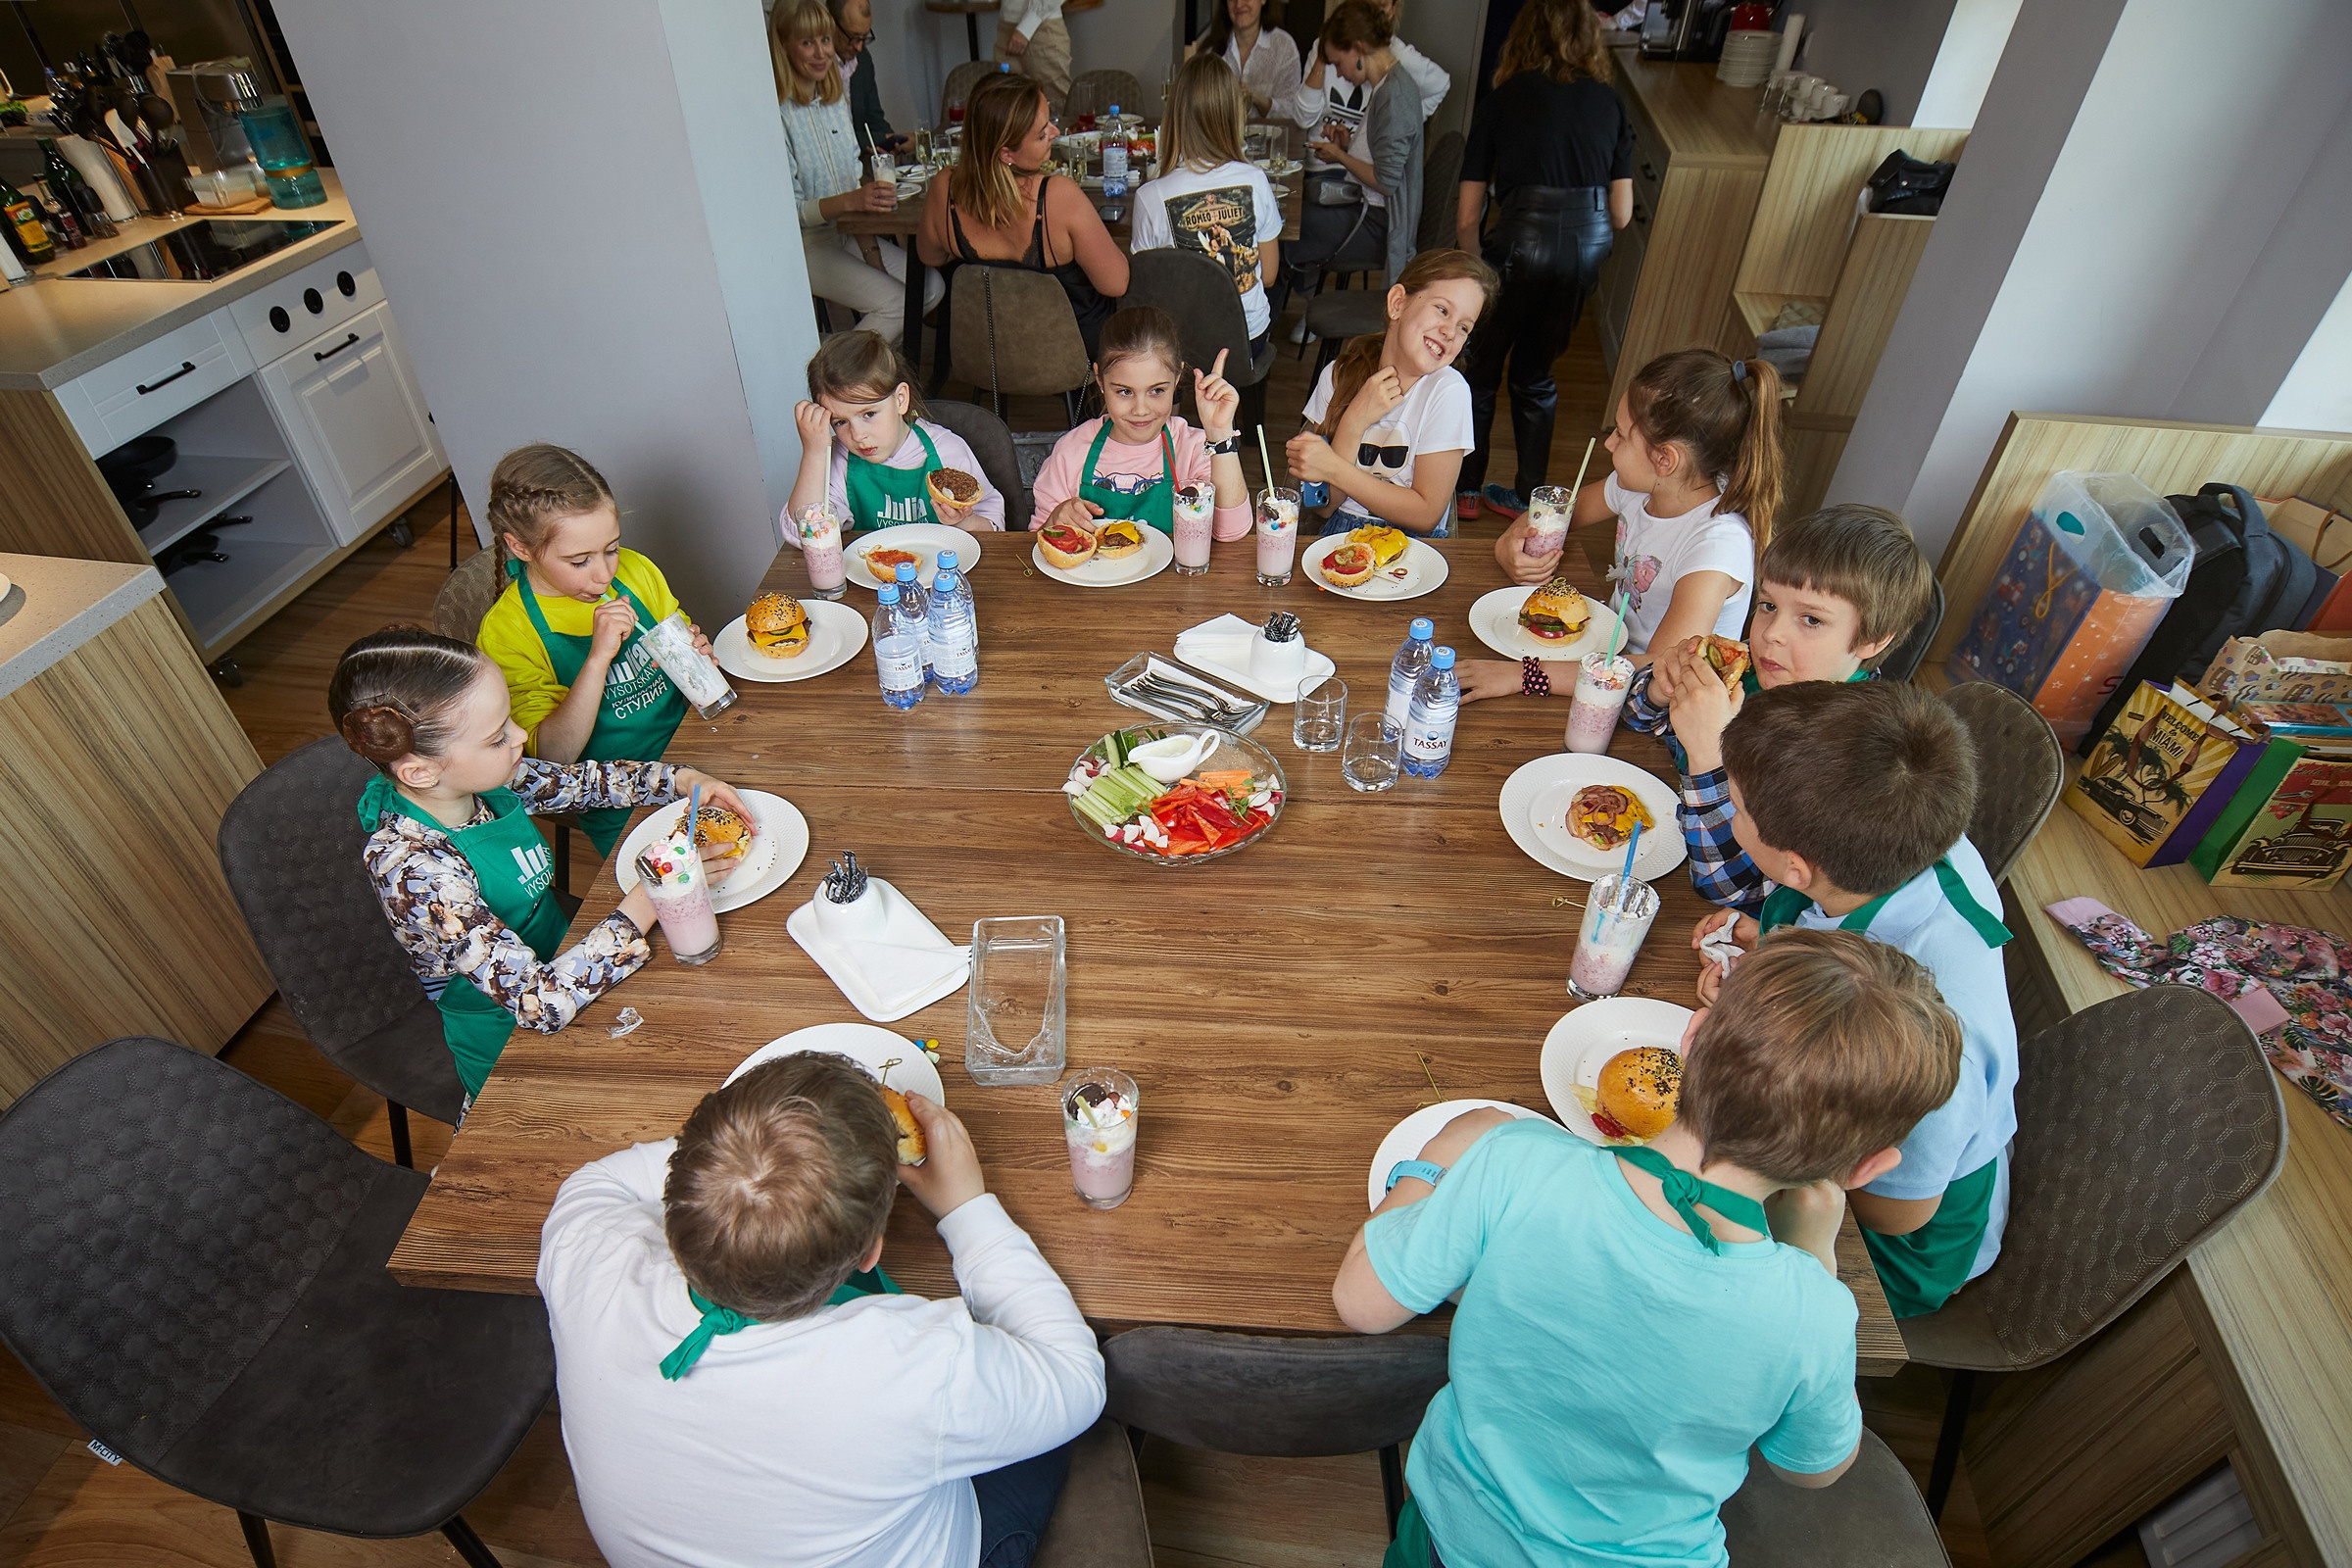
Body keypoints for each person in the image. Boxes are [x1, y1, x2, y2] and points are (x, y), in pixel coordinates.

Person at [1333, 928, 1963, 1568]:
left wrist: (1440, 1155)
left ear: (1690, 1039)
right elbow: (1813, 1468)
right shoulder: (1814, 1315)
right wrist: (1814, 1261)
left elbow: (1362, 1304)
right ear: (1866, 1168)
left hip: (1454, 1540)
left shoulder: (1515, 1161)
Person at [540, 1050, 1105, 1568]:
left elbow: (600, 1179)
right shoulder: (912, 1367)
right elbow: (1077, 1380)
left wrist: (749, 1153)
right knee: (1053, 1414)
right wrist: (966, 1206)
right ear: (870, 1253)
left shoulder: (585, 1248)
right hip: (954, 1542)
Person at [1698, 680, 2019, 1320]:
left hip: (1889, 1239)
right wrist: (1775, 951)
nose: (1730, 817)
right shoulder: (1903, 831)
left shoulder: (1925, 1027)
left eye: (1734, 807)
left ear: (1795, 867)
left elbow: (1900, 1212)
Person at [332, 627, 752, 1102]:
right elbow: (541, 1003)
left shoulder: (483, 779)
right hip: (510, 1041)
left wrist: (681, 779)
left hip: (576, 953)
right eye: (497, 737)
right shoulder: (411, 871)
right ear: (420, 772)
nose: (519, 737)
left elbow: (583, 784)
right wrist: (654, 893)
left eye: (510, 719)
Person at [1460, 505, 1936, 910]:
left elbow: (1735, 888)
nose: (1772, 634)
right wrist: (1658, 692)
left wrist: (1709, 756)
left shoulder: (1852, 758)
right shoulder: (1750, 676)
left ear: (1874, 640)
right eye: (1768, 606)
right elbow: (1640, 720)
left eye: (1810, 620)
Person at [472, 444, 709, 859]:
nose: (604, 574)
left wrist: (697, 656)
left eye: (611, 549)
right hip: (618, 798)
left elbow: (689, 664)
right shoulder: (508, 632)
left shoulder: (637, 571)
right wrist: (598, 659)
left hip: (700, 744)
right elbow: (555, 757)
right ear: (521, 548)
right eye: (579, 560)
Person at [1452, 0, 1632, 520]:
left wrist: (1476, 275)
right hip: (1586, 247)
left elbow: (1468, 215)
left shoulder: (1503, 98)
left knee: (1481, 371)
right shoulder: (1609, 102)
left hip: (1519, 241)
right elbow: (1622, 214)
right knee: (1535, 376)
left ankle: (1466, 491)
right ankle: (1531, 495)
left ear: (1523, 35)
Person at [1494, 348, 1785, 658]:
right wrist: (1507, 545)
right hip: (1610, 655)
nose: (1608, 443)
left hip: (1649, 681)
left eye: (1620, 435)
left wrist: (1519, 675)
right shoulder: (1640, 486)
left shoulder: (1716, 547)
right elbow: (1552, 516)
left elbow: (1658, 668)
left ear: (1665, 459)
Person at [1284, 248, 1495, 537]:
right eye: (1442, 310)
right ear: (1398, 303)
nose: (1450, 331)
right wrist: (1354, 420)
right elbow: (1323, 506)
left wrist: (1334, 468)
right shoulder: (1337, 375)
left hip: (1415, 547)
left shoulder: (1448, 391)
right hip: (1339, 536)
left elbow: (1426, 515)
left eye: (1463, 327)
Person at [916, 74, 1126, 360]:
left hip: (988, 357)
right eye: (1041, 134)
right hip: (1069, 358)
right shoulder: (1058, 196)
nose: (1055, 132)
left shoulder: (946, 187)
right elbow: (1116, 283)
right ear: (1006, 154)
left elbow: (930, 255)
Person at [772, 0, 940, 347]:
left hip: (848, 233)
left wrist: (872, 254)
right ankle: (830, 369)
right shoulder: (778, 114)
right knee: (895, 304)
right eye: (807, 42)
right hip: (807, 247)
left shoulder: (835, 102)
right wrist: (851, 201)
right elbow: (792, 213)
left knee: (930, 287)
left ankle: (857, 366)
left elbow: (853, 188)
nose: (821, 52)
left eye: (825, 40)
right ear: (785, 46)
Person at [1281, 0, 1447, 331]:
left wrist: (1340, 156)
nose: (1339, 73)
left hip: (1376, 226)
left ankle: (1259, 336)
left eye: (1338, 63)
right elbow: (1381, 155)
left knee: (1282, 229)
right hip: (1366, 211)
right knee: (1286, 215)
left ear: (1358, 49)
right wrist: (1348, 144)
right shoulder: (1386, 84)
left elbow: (1386, 181)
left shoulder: (1395, 95)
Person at [1029, 305, 1251, 539]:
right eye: (1124, 391)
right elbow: (1037, 538)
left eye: (1157, 390)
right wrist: (1056, 520)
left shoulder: (1195, 448)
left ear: (1176, 378)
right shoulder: (1071, 451)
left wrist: (1220, 434)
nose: (1141, 409)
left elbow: (1229, 532)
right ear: (1100, 380)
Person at [1132, 54, 1285, 356]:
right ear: (1233, 115)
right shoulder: (1255, 180)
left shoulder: (1149, 197)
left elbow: (1146, 292)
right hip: (1247, 341)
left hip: (1180, 345)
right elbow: (1268, 276)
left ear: (1174, 114)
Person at [788, 329, 1006, 535]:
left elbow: (994, 529)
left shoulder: (949, 451)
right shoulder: (840, 460)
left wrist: (962, 521)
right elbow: (806, 534)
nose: (858, 435)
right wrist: (814, 454)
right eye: (840, 422)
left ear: (900, 399)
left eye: (869, 414)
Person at [1186, 0, 1302, 118]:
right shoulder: (1209, 51)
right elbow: (1196, 108)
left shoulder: (1284, 47)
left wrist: (1259, 100)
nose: (1239, 4)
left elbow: (1293, 113)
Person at [828, 0, 906, 154]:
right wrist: (882, 138)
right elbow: (832, 137)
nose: (859, 47)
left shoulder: (862, 59)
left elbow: (874, 118)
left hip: (863, 158)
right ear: (831, 24)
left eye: (864, 38)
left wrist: (894, 142)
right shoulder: (817, 66)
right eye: (854, 37)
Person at [995, 0, 1072, 114]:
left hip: (1042, 25)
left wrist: (1027, 27)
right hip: (1006, 25)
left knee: (1055, 107)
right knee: (1005, 106)